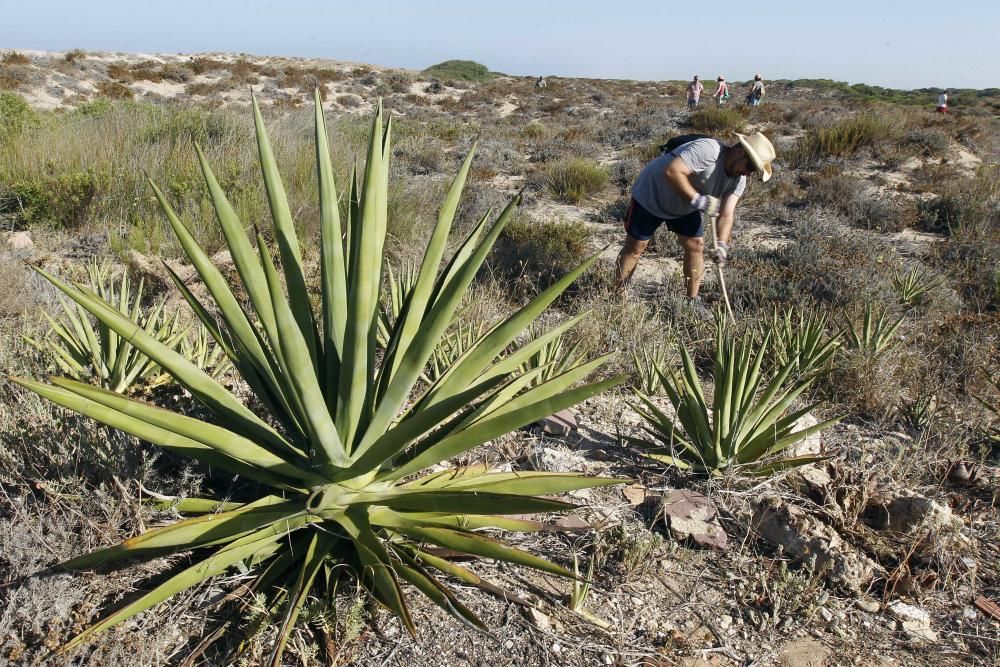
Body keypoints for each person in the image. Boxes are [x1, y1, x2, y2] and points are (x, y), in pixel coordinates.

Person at [615, 132, 776, 301]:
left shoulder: (738, 180)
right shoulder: (710, 150)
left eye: (753, 171)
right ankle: (617, 296)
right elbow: (673, 171)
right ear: (740, 152)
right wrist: (698, 201)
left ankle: (692, 300)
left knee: (696, 246)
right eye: (750, 167)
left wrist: (722, 245)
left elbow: (727, 214)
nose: (748, 174)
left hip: (685, 205)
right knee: (636, 246)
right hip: (652, 194)